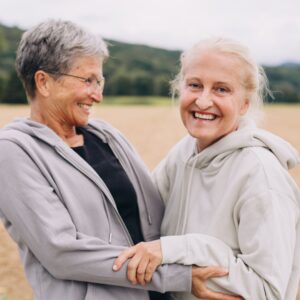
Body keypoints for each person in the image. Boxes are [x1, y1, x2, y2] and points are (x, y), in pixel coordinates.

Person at [0, 21, 243, 300]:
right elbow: (61, 251)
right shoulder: (13, 152)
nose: (98, 95)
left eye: (99, 81)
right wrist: (177, 277)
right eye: (87, 80)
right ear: (44, 82)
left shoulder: (106, 136)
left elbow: (160, 212)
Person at [113, 38, 300, 299]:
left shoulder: (261, 177)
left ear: (245, 103)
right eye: (195, 85)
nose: (202, 101)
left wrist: (181, 248)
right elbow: (144, 222)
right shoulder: (184, 152)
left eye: (221, 89)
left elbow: (267, 292)